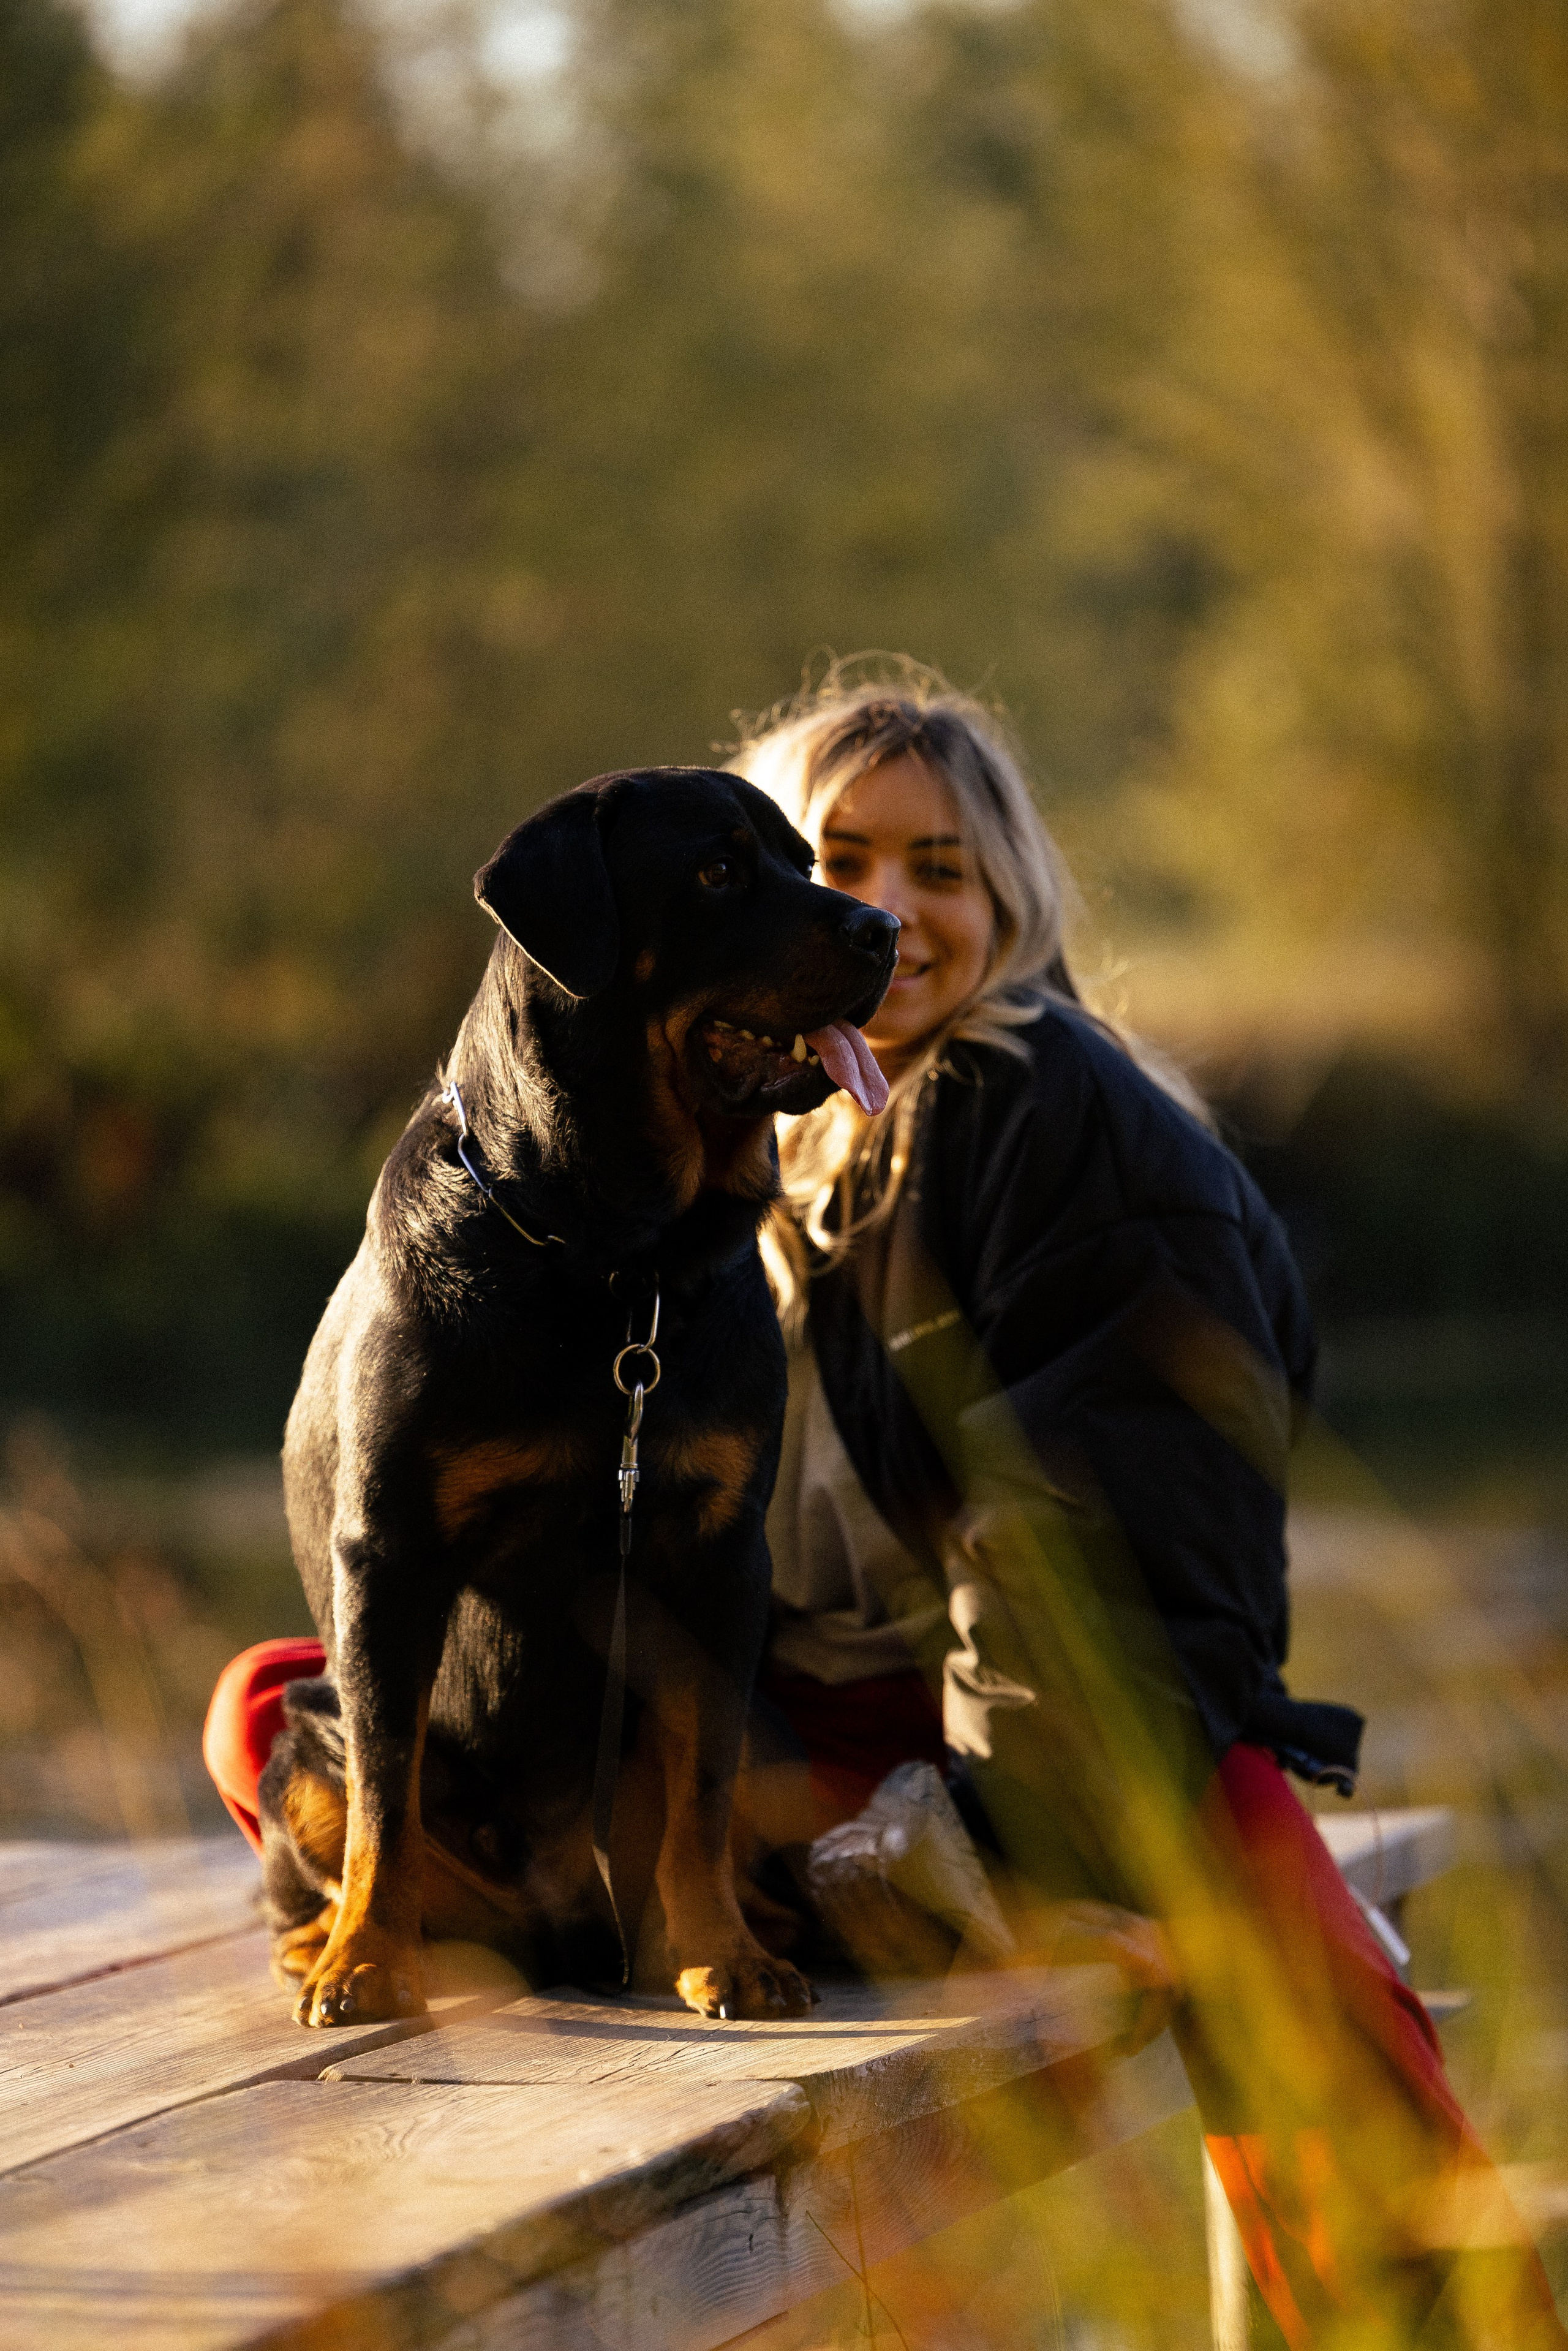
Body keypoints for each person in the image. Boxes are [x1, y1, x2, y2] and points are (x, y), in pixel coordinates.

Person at [722, 660, 1566, 2351]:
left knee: (1344, 2095)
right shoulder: (755, 1137)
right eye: (838, 861)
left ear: (1011, 903)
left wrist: (1017, 1843)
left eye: (940, 869)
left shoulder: (1043, 1104)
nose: (888, 908)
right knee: (286, 1706)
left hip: (1082, 1728)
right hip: (837, 1721)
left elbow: (1096, 1539)